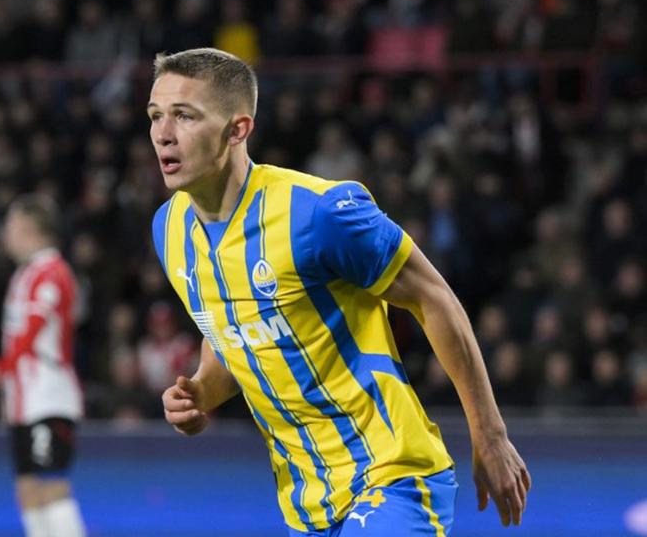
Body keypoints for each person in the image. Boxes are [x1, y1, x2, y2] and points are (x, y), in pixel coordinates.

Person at [149, 48, 531, 536]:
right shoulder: (170, 231)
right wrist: (202, 390)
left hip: (393, 475)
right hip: (307, 502)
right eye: (156, 116)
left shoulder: (318, 212)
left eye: (185, 115)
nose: (163, 133)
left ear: (237, 129)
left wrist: (491, 435)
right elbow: (232, 336)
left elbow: (432, 297)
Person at [0, 194, 85, 537]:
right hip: (25, 402)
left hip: (49, 395)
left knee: (51, 484)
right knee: (28, 490)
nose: (6, 234)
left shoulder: (51, 272)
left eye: (12, 226)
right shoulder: (26, 274)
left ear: (31, 229)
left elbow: (32, 331)